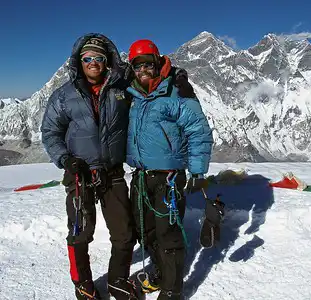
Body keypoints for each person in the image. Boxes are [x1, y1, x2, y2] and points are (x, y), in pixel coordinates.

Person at [41, 33, 140, 300]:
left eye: (99, 57)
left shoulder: (122, 89)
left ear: (107, 61)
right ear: (79, 61)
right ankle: (83, 284)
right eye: (88, 58)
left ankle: (117, 280)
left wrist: (175, 76)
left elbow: (150, 79)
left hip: (113, 172)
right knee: (79, 233)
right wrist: (65, 160)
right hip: (79, 174)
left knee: (124, 233)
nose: (93, 62)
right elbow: (50, 132)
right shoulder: (63, 96)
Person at [125, 39, 213, 300]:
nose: (143, 70)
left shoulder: (176, 91)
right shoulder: (133, 94)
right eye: (137, 65)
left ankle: (173, 290)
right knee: (145, 231)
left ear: (157, 62)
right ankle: (162, 274)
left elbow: (198, 131)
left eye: (147, 64)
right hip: (141, 176)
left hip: (169, 179)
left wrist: (198, 172)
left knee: (169, 234)